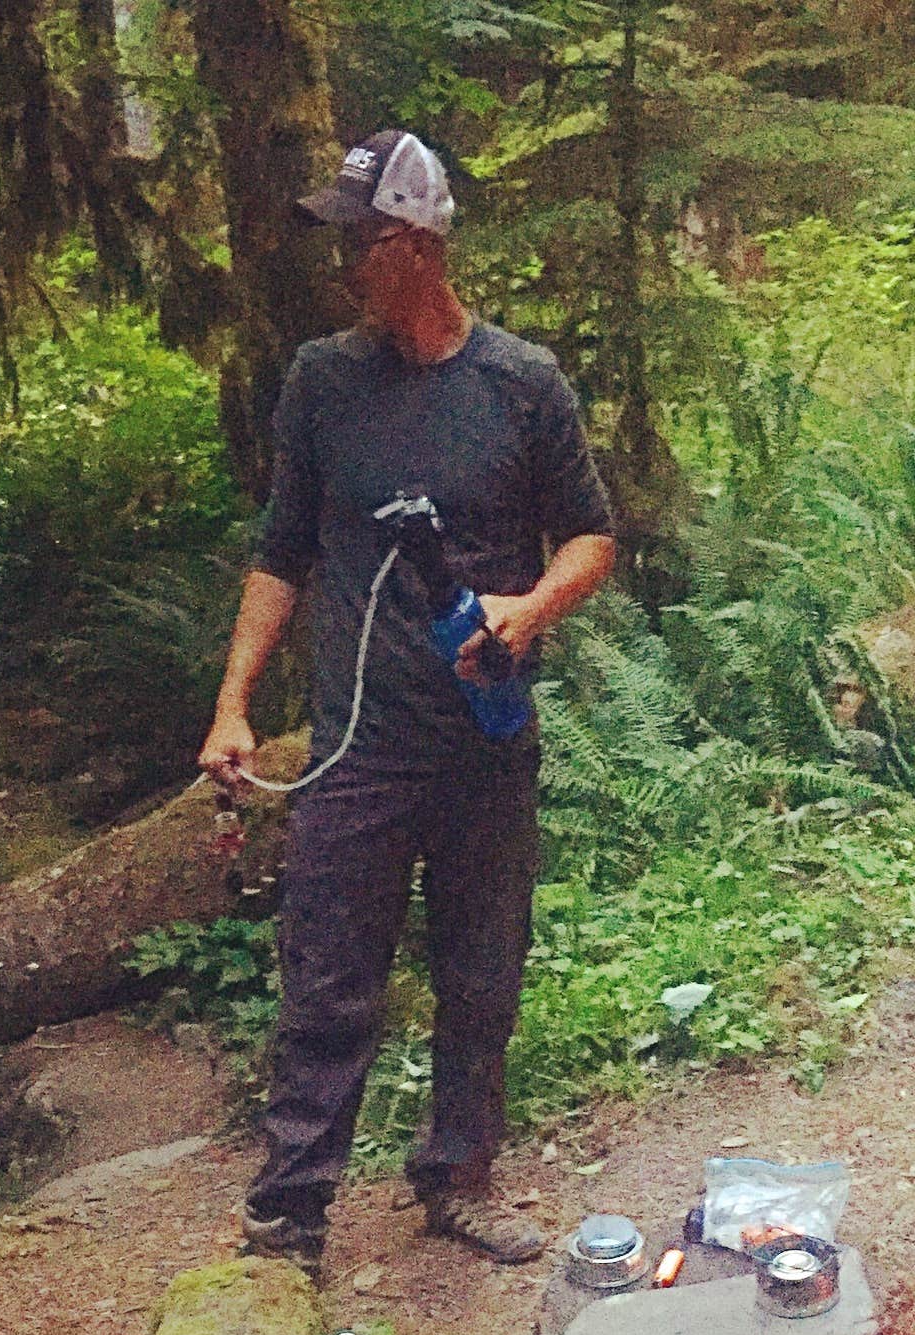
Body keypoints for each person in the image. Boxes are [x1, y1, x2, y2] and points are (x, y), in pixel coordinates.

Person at [201, 130, 618, 1269]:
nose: (344, 266)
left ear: (417, 242)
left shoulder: (521, 384)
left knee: (481, 976)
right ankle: (288, 1215)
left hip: (483, 742)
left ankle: (460, 1176)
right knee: (328, 982)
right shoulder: (323, 382)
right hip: (357, 749)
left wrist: (526, 611)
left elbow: (591, 534)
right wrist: (233, 704)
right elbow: (279, 553)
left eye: (361, 241)